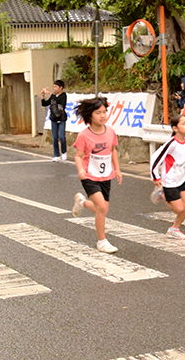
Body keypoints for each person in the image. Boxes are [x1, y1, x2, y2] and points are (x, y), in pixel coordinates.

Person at [71, 97, 123, 253]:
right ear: (90, 115)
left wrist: (117, 169)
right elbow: (78, 156)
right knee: (101, 207)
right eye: (98, 112)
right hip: (89, 176)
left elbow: (113, 150)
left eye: (104, 112)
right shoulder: (84, 135)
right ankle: (102, 241)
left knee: (103, 209)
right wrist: (81, 171)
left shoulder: (111, 132)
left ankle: (82, 203)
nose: (102, 115)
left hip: (106, 175)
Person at [149, 115, 185, 240]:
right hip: (170, 181)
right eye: (183, 124)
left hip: (182, 178)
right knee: (180, 209)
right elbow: (155, 158)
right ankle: (162, 193)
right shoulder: (171, 144)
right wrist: (155, 177)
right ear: (175, 128)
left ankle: (174, 229)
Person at [41, 80, 68, 162]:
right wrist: (42, 96)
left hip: (61, 119)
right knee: (54, 138)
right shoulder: (53, 96)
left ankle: (64, 152)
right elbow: (45, 104)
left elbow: (60, 103)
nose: (54, 88)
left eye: (56, 87)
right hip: (53, 119)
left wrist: (50, 94)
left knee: (62, 137)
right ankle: (56, 155)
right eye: (54, 87)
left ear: (61, 87)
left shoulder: (63, 95)